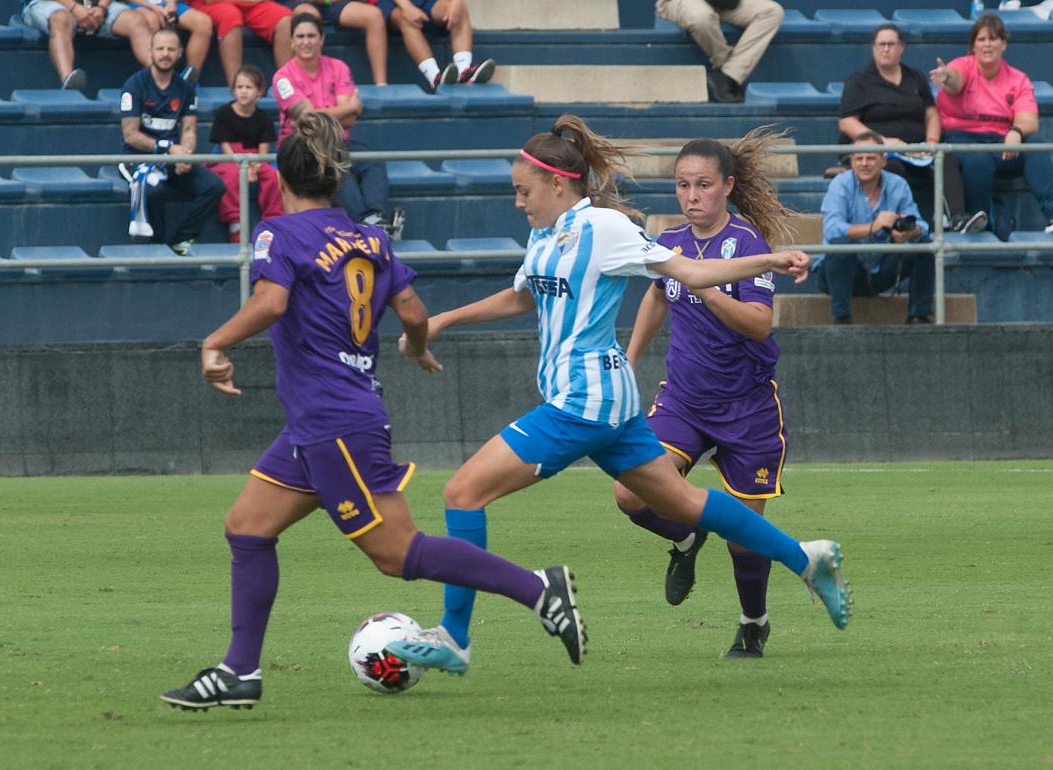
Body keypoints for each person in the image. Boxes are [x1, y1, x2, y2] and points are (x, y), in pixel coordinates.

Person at [383, 115, 852, 677]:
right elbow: (521, 297)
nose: (517, 202)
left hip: (585, 402)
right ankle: (807, 557)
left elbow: (687, 272)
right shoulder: (544, 234)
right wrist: (442, 321)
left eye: (523, 191)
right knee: (684, 506)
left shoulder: (605, 228)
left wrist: (770, 259)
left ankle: (456, 637)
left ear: (558, 184)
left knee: (462, 493)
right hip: (611, 405)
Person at [160, 111, 584, 710]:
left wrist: (215, 343)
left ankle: (536, 589)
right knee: (248, 526)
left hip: (333, 422)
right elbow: (412, 312)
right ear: (338, 180)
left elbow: (272, 299)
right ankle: (240, 672)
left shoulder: (279, 235)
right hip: (325, 420)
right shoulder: (369, 238)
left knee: (397, 553)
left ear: (281, 179)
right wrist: (415, 346)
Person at [611, 130, 796, 659]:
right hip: (684, 402)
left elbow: (760, 325)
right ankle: (687, 538)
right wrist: (631, 357)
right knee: (629, 492)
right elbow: (655, 294)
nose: (692, 197)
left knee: (744, 536)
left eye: (703, 186)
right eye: (682, 185)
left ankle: (752, 621)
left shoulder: (748, 245)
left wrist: (704, 287)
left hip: (747, 408)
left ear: (728, 186)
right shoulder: (668, 243)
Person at [929, 14, 1053, 240]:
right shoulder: (962, 66)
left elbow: (1030, 120)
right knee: (976, 159)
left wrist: (1016, 131)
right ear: (973, 46)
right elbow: (954, 80)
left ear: (1004, 44)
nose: (988, 44)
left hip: (1002, 143)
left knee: (1034, 147)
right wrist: (946, 76)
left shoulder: (1018, 79)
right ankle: (982, 219)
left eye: (993, 38)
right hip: (963, 141)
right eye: (981, 40)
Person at [839, 24, 983, 234]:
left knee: (945, 159)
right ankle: (893, 226)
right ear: (873, 47)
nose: (885, 49)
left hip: (915, 149)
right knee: (892, 166)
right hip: (878, 150)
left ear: (902, 47)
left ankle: (957, 218)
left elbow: (931, 113)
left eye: (891, 44)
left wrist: (932, 141)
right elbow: (847, 122)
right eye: (881, 44)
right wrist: (881, 143)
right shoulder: (859, 80)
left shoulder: (914, 77)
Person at [272, 13, 400, 234]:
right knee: (338, 168)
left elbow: (349, 119)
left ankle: (376, 217)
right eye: (300, 36)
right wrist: (349, 108)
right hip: (303, 147)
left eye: (311, 36)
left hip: (339, 141)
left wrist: (336, 114)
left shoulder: (338, 67)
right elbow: (309, 120)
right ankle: (366, 225)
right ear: (291, 42)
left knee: (372, 160)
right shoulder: (283, 77)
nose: (306, 41)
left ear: (322, 39)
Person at [119, 28, 225, 254]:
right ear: (151, 51)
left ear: (180, 53)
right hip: (138, 158)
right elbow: (130, 135)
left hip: (172, 156)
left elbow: (188, 128)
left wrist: (185, 154)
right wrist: (168, 149)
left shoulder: (185, 88)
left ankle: (181, 240)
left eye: (170, 49)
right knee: (153, 191)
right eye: (160, 48)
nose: (165, 54)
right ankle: (157, 247)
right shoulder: (134, 85)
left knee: (214, 186)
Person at [819, 132, 933, 325]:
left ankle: (918, 317)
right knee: (840, 247)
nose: (864, 163)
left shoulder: (898, 184)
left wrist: (909, 233)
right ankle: (842, 319)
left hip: (882, 268)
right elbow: (832, 231)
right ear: (852, 161)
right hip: (842, 272)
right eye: (859, 158)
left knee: (924, 245)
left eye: (871, 157)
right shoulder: (840, 184)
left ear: (883, 160)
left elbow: (921, 225)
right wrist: (873, 227)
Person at [209, 65, 285, 242]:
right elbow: (224, 145)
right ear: (233, 90)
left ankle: (273, 220)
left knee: (273, 176)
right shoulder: (224, 113)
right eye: (239, 87)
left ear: (259, 92)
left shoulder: (264, 118)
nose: (243, 92)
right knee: (231, 175)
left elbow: (264, 149)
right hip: (228, 158)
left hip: (255, 158)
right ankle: (235, 221)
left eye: (249, 87)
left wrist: (257, 165)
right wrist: (240, 165)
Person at [654, 0, 784, 104]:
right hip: (685, 2)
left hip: (726, 3)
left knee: (772, 11)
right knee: (701, 18)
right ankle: (727, 68)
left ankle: (727, 75)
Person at [20, 0, 158, 91]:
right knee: (61, 19)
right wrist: (75, 8)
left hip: (94, 5)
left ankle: (159, 79)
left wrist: (101, 8)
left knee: (136, 20)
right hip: (50, 3)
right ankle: (68, 83)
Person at [187, 0, 321, 88]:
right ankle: (237, 85)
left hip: (253, 3)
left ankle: (286, 84)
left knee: (286, 21)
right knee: (230, 16)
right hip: (213, 3)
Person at [380, 0, 495, 92]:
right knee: (405, 18)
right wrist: (407, 7)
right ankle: (435, 79)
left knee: (459, 7)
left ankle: (464, 72)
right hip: (392, 4)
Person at [284, 0, 390, 86]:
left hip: (332, 3)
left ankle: (381, 85)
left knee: (374, 15)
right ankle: (306, 83)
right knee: (311, 17)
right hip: (299, 3)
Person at [125, 1, 214, 83]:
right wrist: (154, 8)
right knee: (152, 21)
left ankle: (189, 82)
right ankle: (157, 83)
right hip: (138, 4)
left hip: (167, 4)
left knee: (203, 23)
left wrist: (171, 6)